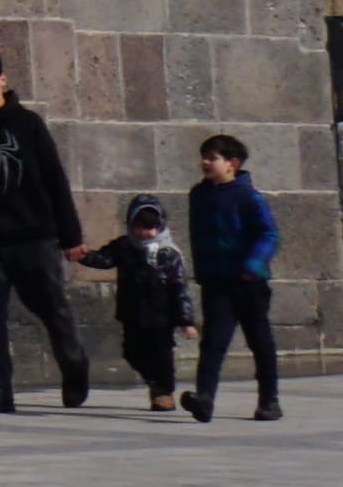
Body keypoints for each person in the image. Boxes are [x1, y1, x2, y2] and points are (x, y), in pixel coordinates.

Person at [0, 48, 91, 411]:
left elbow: (55, 179)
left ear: (2, 79)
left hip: (33, 236)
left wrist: (71, 237)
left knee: (51, 306)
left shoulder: (28, 124)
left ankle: (75, 365)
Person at [183, 134, 285, 420]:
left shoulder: (248, 196)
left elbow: (269, 233)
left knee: (260, 341)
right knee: (213, 341)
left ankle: (269, 400)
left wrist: (253, 265)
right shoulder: (199, 194)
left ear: (232, 164)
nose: (205, 162)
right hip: (216, 281)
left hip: (248, 282)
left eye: (212, 157)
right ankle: (204, 398)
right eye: (204, 156)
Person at [77, 195, 193, 412]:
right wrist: (82, 255)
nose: (145, 233)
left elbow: (179, 288)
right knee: (132, 351)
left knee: (162, 354)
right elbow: (104, 259)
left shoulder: (169, 254)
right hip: (133, 312)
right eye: (140, 227)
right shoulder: (124, 246)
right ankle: (154, 381)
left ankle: (164, 391)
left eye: (151, 228)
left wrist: (186, 320)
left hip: (161, 315)